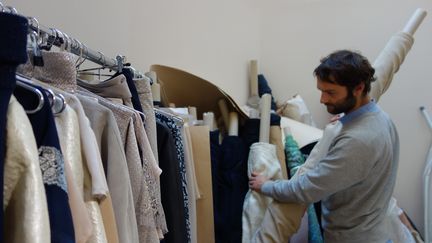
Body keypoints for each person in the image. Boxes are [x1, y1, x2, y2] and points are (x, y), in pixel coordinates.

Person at [249, 49, 400, 243]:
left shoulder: (357, 142)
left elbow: (305, 189)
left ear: (359, 88)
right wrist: (346, 121)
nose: (323, 99)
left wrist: (266, 185)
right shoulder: (380, 118)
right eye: (322, 90)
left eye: (331, 93)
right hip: (374, 233)